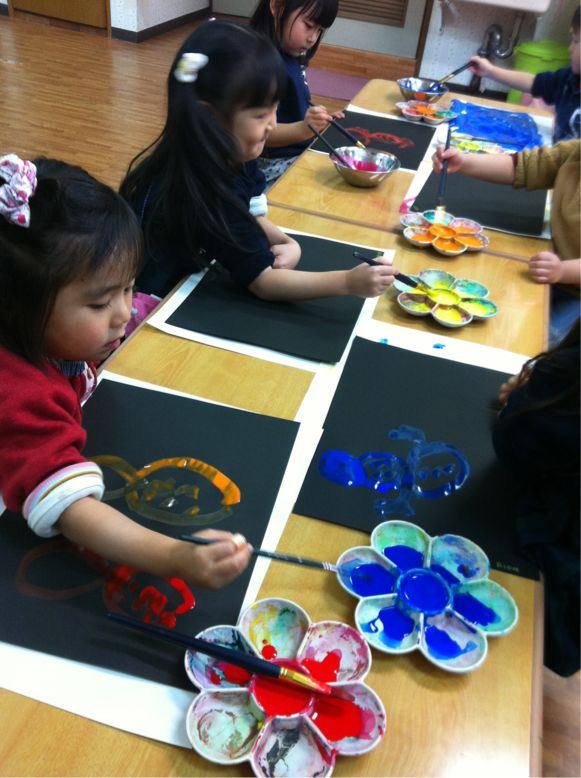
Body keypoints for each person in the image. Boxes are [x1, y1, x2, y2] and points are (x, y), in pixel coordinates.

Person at [0, 154, 252, 591]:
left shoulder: (50, 339)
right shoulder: (20, 393)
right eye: (100, 303)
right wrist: (174, 556)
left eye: (129, 287)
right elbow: (70, 507)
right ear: (18, 306)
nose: (123, 313)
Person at [121, 21, 396, 302]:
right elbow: (264, 282)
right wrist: (348, 282)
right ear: (209, 119)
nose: (273, 124)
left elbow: (247, 215)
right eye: (261, 115)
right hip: (153, 304)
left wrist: (285, 240)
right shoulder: (207, 192)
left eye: (275, 109)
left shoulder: (228, 155)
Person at [493, 319, 580, 676]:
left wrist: (521, 404)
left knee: (515, 662)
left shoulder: (566, 376)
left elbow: (514, 450)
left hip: (555, 557)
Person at [432, 139, 580, 343]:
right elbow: (525, 166)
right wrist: (464, 162)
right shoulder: (575, 153)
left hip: (573, 291)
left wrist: (563, 271)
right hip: (553, 267)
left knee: (541, 341)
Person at [250, 0, 342, 187]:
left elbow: (295, 107)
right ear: (277, 6)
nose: (312, 38)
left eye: (319, 30)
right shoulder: (261, 63)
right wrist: (303, 129)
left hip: (298, 153)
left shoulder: (290, 55)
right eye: (308, 25)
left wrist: (319, 121)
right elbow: (256, 132)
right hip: (274, 166)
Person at [469, 7, 580, 142]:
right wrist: (490, 71)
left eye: (576, 41)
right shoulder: (568, 79)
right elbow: (533, 82)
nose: (570, 48)